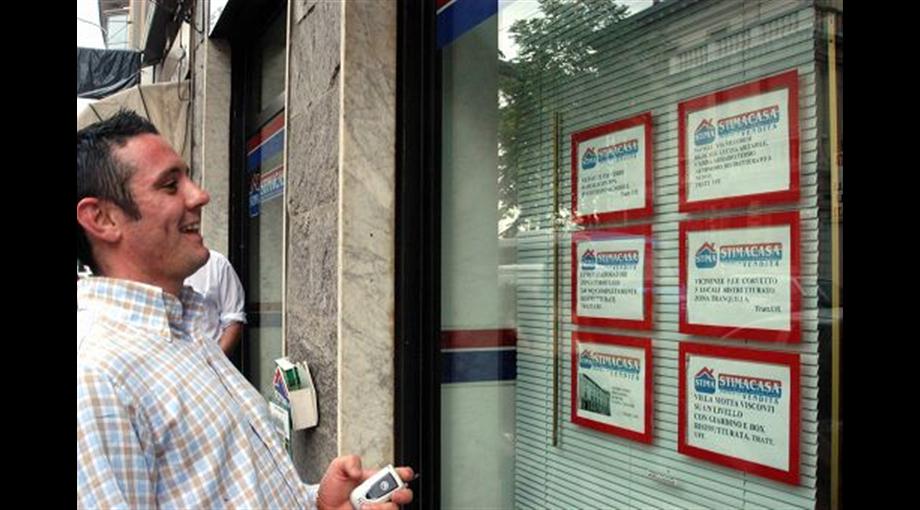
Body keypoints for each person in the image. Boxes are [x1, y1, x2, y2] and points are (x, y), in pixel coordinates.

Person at [76, 110, 413, 509]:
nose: (199, 195)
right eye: (170, 185)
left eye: (188, 177)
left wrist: (317, 502)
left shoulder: (185, 334)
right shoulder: (96, 377)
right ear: (101, 218)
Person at [185, 249, 246, 355]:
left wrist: (215, 362)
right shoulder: (152, 264)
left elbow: (234, 320)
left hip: (209, 359)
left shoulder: (216, 263)